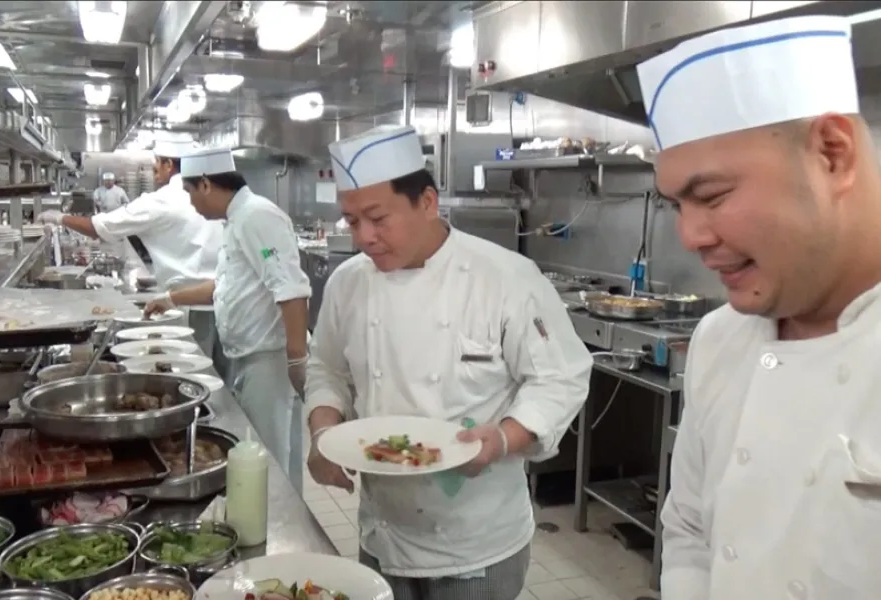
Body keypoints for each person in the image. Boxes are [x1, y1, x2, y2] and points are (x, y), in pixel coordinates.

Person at [637, 14, 881, 599]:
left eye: (712, 195)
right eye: (676, 205)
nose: (690, 237)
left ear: (832, 154)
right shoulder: (720, 336)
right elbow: (689, 527)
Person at [305, 125, 592, 600]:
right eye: (352, 221)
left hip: (476, 544)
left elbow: (560, 378)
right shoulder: (347, 283)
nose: (365, 238)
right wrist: (322, 435)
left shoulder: (506, 278)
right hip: (382, 533)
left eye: (378, 218)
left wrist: (503, 438)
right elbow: (327, 369)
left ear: (427, 202)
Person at [144, 147, 311, 495]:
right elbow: (225, 287)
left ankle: (277, 519)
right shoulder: (237, 221)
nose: (191, 203)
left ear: (206, 184)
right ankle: (282, 513)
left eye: (190, 192)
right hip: (252, 357)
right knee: (273, 454)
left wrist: (297, 360)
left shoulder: (257, 217)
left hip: (270, 359)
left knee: (266, 456)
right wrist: (171, 298)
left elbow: (291, 289)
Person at [38, 140, 224, 360]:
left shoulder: (162, 200)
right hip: (225, 302)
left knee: (197, 369)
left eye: (157, 161)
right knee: (221, 374)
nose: (153, 167)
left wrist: (59, 218)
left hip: (191, 307)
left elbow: (98, 228)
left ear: (168, 165)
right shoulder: (211, 195)